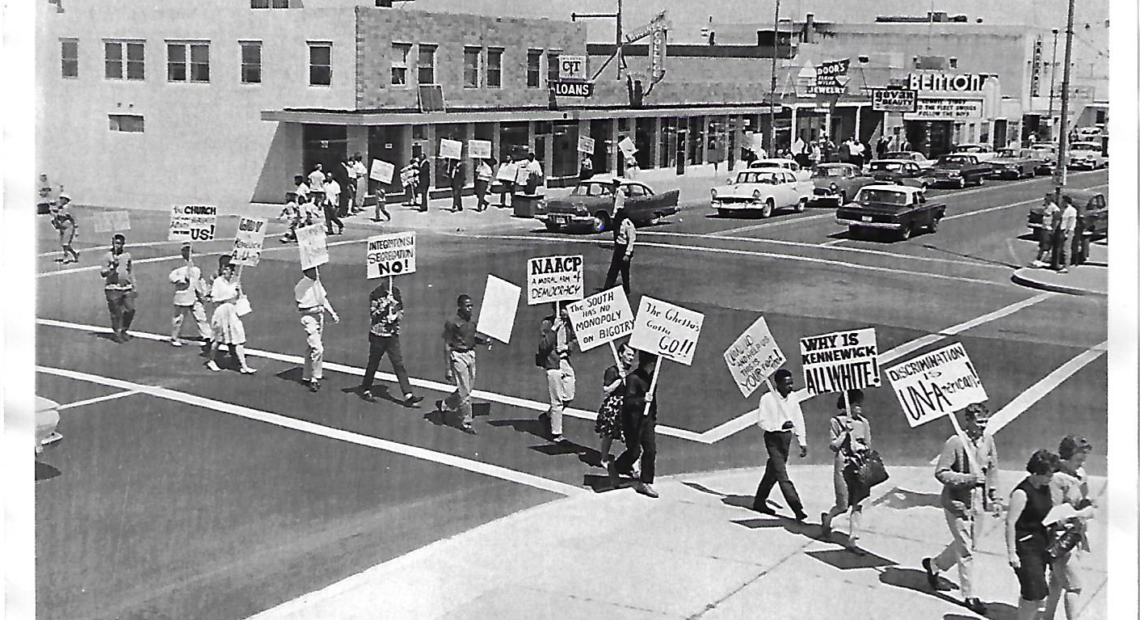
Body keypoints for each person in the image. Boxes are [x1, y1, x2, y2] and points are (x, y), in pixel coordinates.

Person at [922, 403, 1000, 616]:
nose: (983, 426)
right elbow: (941, 472)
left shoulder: (988, 441)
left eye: (985, 421)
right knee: (966, 550)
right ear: (968, 421)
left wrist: (995, 496)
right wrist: (969, 479)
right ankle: (970, 595)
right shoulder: (956, 442)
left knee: (968, 544)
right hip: (957, 504)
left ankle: (934, 565)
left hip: (978, 504)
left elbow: (992, 470)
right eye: (979, 422)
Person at [1044, 436, 1098, 620]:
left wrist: (1088, 505)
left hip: (1076, 536)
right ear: (1066, 456)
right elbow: (1053, 514)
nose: (1081, 463)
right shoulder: (1056, 479)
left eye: (1084, 458)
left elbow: (1084, 498)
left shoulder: (1080, 474)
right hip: (1061, 538)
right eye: (1078, 458)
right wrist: (1082, 513)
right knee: (1074, 586)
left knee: (1057, 581)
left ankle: (1047, 617)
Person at [1006, 450, 1063, 620]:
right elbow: (1010, 523)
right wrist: (1012, 552)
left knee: (1036, 592)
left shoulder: (1044, 488)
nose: (1050, 478)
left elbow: (1045, 513)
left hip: (1040, 544)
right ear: (1036, 473)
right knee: (1033, 592)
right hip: (1025, 547)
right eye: (1047, 475)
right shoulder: (1021, 493)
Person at [751, 368, 809, 521]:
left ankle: (759, 501)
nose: (791, 386)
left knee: (773, 471)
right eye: (787, 384)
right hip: (772, 439)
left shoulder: (793, 397)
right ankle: (797, 507)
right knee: (782, 475)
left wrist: (802, 441)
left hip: (786, 439)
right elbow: (762, 422)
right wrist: (779, 426)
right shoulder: (767, 398)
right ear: (778, 384)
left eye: (791, 383)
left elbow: (798, 419)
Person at [821, 389, 872, 555]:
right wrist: (845, 432)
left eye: (860, 405)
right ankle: (827, 519)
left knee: (858, 505)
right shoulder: (835, 421)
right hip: (843, 466)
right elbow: (833, 446)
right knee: (843, 505)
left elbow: (869, 445)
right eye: (856, 405)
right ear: (848, 405)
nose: (859, 408)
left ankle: (852, 540)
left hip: (859, 466)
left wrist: (862, 449)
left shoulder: (864, 423)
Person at [359, 279, 424, 408]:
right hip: (378, 334)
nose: (390, 280)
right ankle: (366, 388)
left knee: (398, 363)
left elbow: (401, 310)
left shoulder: (396, 292)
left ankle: (408, 394)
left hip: (392, 334)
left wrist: (395, 316)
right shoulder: (375, 294)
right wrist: (382, 309)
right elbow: (373, 314)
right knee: (373, 362)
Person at [609, 351, 660, 497]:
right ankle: (618, 466)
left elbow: (653, 402)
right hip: (632, 421)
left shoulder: (652, 378)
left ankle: (645, 482)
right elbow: (628, 402)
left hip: (647, 420)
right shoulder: (633, 379)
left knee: (650, 450)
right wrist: (643, 399)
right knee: (634, 451)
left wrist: (653, 418)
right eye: (653, 363)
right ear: (648, 364)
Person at [438, 294, 492, 434]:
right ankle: (466, 421)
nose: (470, 308)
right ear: (460, 307)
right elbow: (447, 345)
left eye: (471, 305)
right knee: (465, 393)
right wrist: (447, 368)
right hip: (458, 356)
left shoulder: (472, 321)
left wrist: (484, 341)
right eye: (467, 306)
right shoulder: (452, 322)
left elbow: (472, 337)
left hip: (470, 354)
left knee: (468, 388)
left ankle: (446, 404)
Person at [205, 256, 256, 374]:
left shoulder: (236, 280)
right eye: (225, 268)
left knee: (238, 338)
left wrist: (239, 291)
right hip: (220, 312)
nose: (227, 270)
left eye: (230, 268)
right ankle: (211, 360)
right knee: (217, 339)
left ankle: (243, 365)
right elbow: (215, 300)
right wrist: (229, 299)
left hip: (232, 312)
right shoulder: (217, 281)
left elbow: (240, 297)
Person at [294, 266, 339, 392]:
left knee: (311, 347)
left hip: (319, 317)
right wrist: (316, 309)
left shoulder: (317, 282)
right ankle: (315, 378)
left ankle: (306, 375)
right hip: (309, 319)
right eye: (314, 270)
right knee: (318, 349)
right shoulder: (301, 286)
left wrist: (332, 312)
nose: (317, 272)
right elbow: (301, 308)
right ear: (307, 271)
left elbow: (323, 299)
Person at [537, 304, 576, 444]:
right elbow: (543, 346)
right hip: (552, 363)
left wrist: (568, 347)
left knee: (569, 395)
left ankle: (547, 416)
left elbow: (575, 340)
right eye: (565, 308)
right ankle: (556, 433)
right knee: (557, 400)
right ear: (557, 309)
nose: (567, 311)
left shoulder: (570, 324)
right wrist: (554, 329)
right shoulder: (547, 323)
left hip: (565, 362)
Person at [596, 343, 635, 469]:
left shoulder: (631, 371)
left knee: (632, 434)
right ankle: (604, 458)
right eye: (628, 354)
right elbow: (606, 390)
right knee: (609, 434)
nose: (631, 357)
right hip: (614, 405)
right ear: (620, 354)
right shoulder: (612, 371)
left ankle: (633, 463)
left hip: (628, 404)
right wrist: (619, 380)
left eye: (633, 355)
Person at [168, 243, 212, 347]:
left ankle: (207, 336)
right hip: (182, 297)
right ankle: (174, 337)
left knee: (201, 316)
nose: (187, 254)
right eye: (185, 251)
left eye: (189, 251)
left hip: (195, 297)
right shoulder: (178, 268)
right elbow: (172, 278)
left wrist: (205, 293)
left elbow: (200, 281)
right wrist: (182, 279)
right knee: (179, 318)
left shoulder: (196, 269)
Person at [100, 233, 136, 343]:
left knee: (130, 310)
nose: (117, 246)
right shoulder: (107, 256)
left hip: (126, 287)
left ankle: (124, 329)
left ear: (123, 244)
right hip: (112, 288)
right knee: (116, 312)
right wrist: (112, 267)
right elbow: (103, 274)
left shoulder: (127, 256)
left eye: (119, 243)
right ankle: (117, 332)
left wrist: (134, 285)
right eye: (115, 243)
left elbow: (130, 271)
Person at [602, 180, 635, 295]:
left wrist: (627, 254)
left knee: (624, 271)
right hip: (619, 247)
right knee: (613, 269)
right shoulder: (619, 223)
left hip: (624, 248)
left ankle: (626, 290)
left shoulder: (628, 225)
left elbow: (631, 240)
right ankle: (606, 288)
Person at [1031, 197, 1061, 268]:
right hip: (1044, 228)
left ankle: (1041, 261)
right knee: (1041, 245)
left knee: (1045, 246)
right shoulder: (1047, 207)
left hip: (1048, 229)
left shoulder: (1054, 208)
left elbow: (1057, 219)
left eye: (1046, 199)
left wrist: (1053, 229)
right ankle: (1037, 260)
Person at [51, 193, 80, 264]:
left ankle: (66, 257)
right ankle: (74, 253)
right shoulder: (61, 208)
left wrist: (76, 230)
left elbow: (73, 219)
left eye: (62, 198)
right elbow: (58, 216)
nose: (60, 200)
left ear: (66, 200)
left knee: (65, 243)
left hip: (68, 227)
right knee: (64, 244)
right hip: (62, 227)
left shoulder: (68, 208)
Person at [1057, 196, 1077, 273]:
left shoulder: (1072, 210)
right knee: (1063, 248)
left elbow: (1070, 222)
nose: (1061, 203)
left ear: (1066, 202)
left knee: (1066, 249)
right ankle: (1064, 265)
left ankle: (1066, 266)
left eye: (1062, 201)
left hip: (1068, 231)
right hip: (1063, 230)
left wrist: (1066, 232)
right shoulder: (1065, 210)